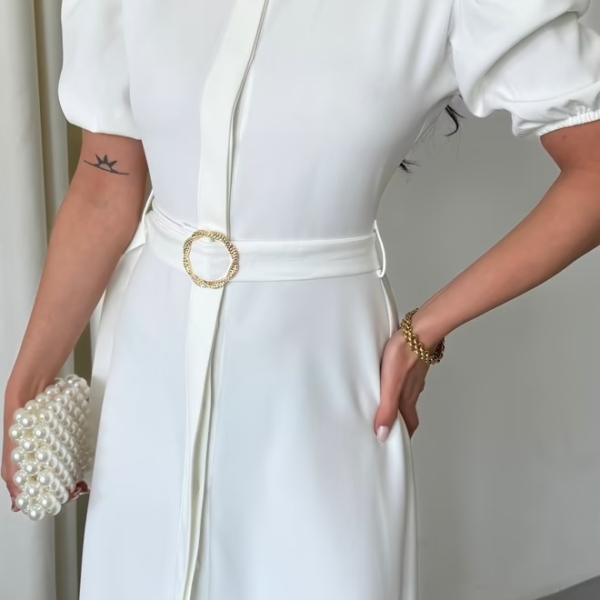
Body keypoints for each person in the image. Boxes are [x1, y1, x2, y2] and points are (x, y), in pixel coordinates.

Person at [3, 1, 600, 599]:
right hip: (147, 372)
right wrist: (28, 380)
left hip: (320, 379)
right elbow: (105, 184)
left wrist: (428, 328)